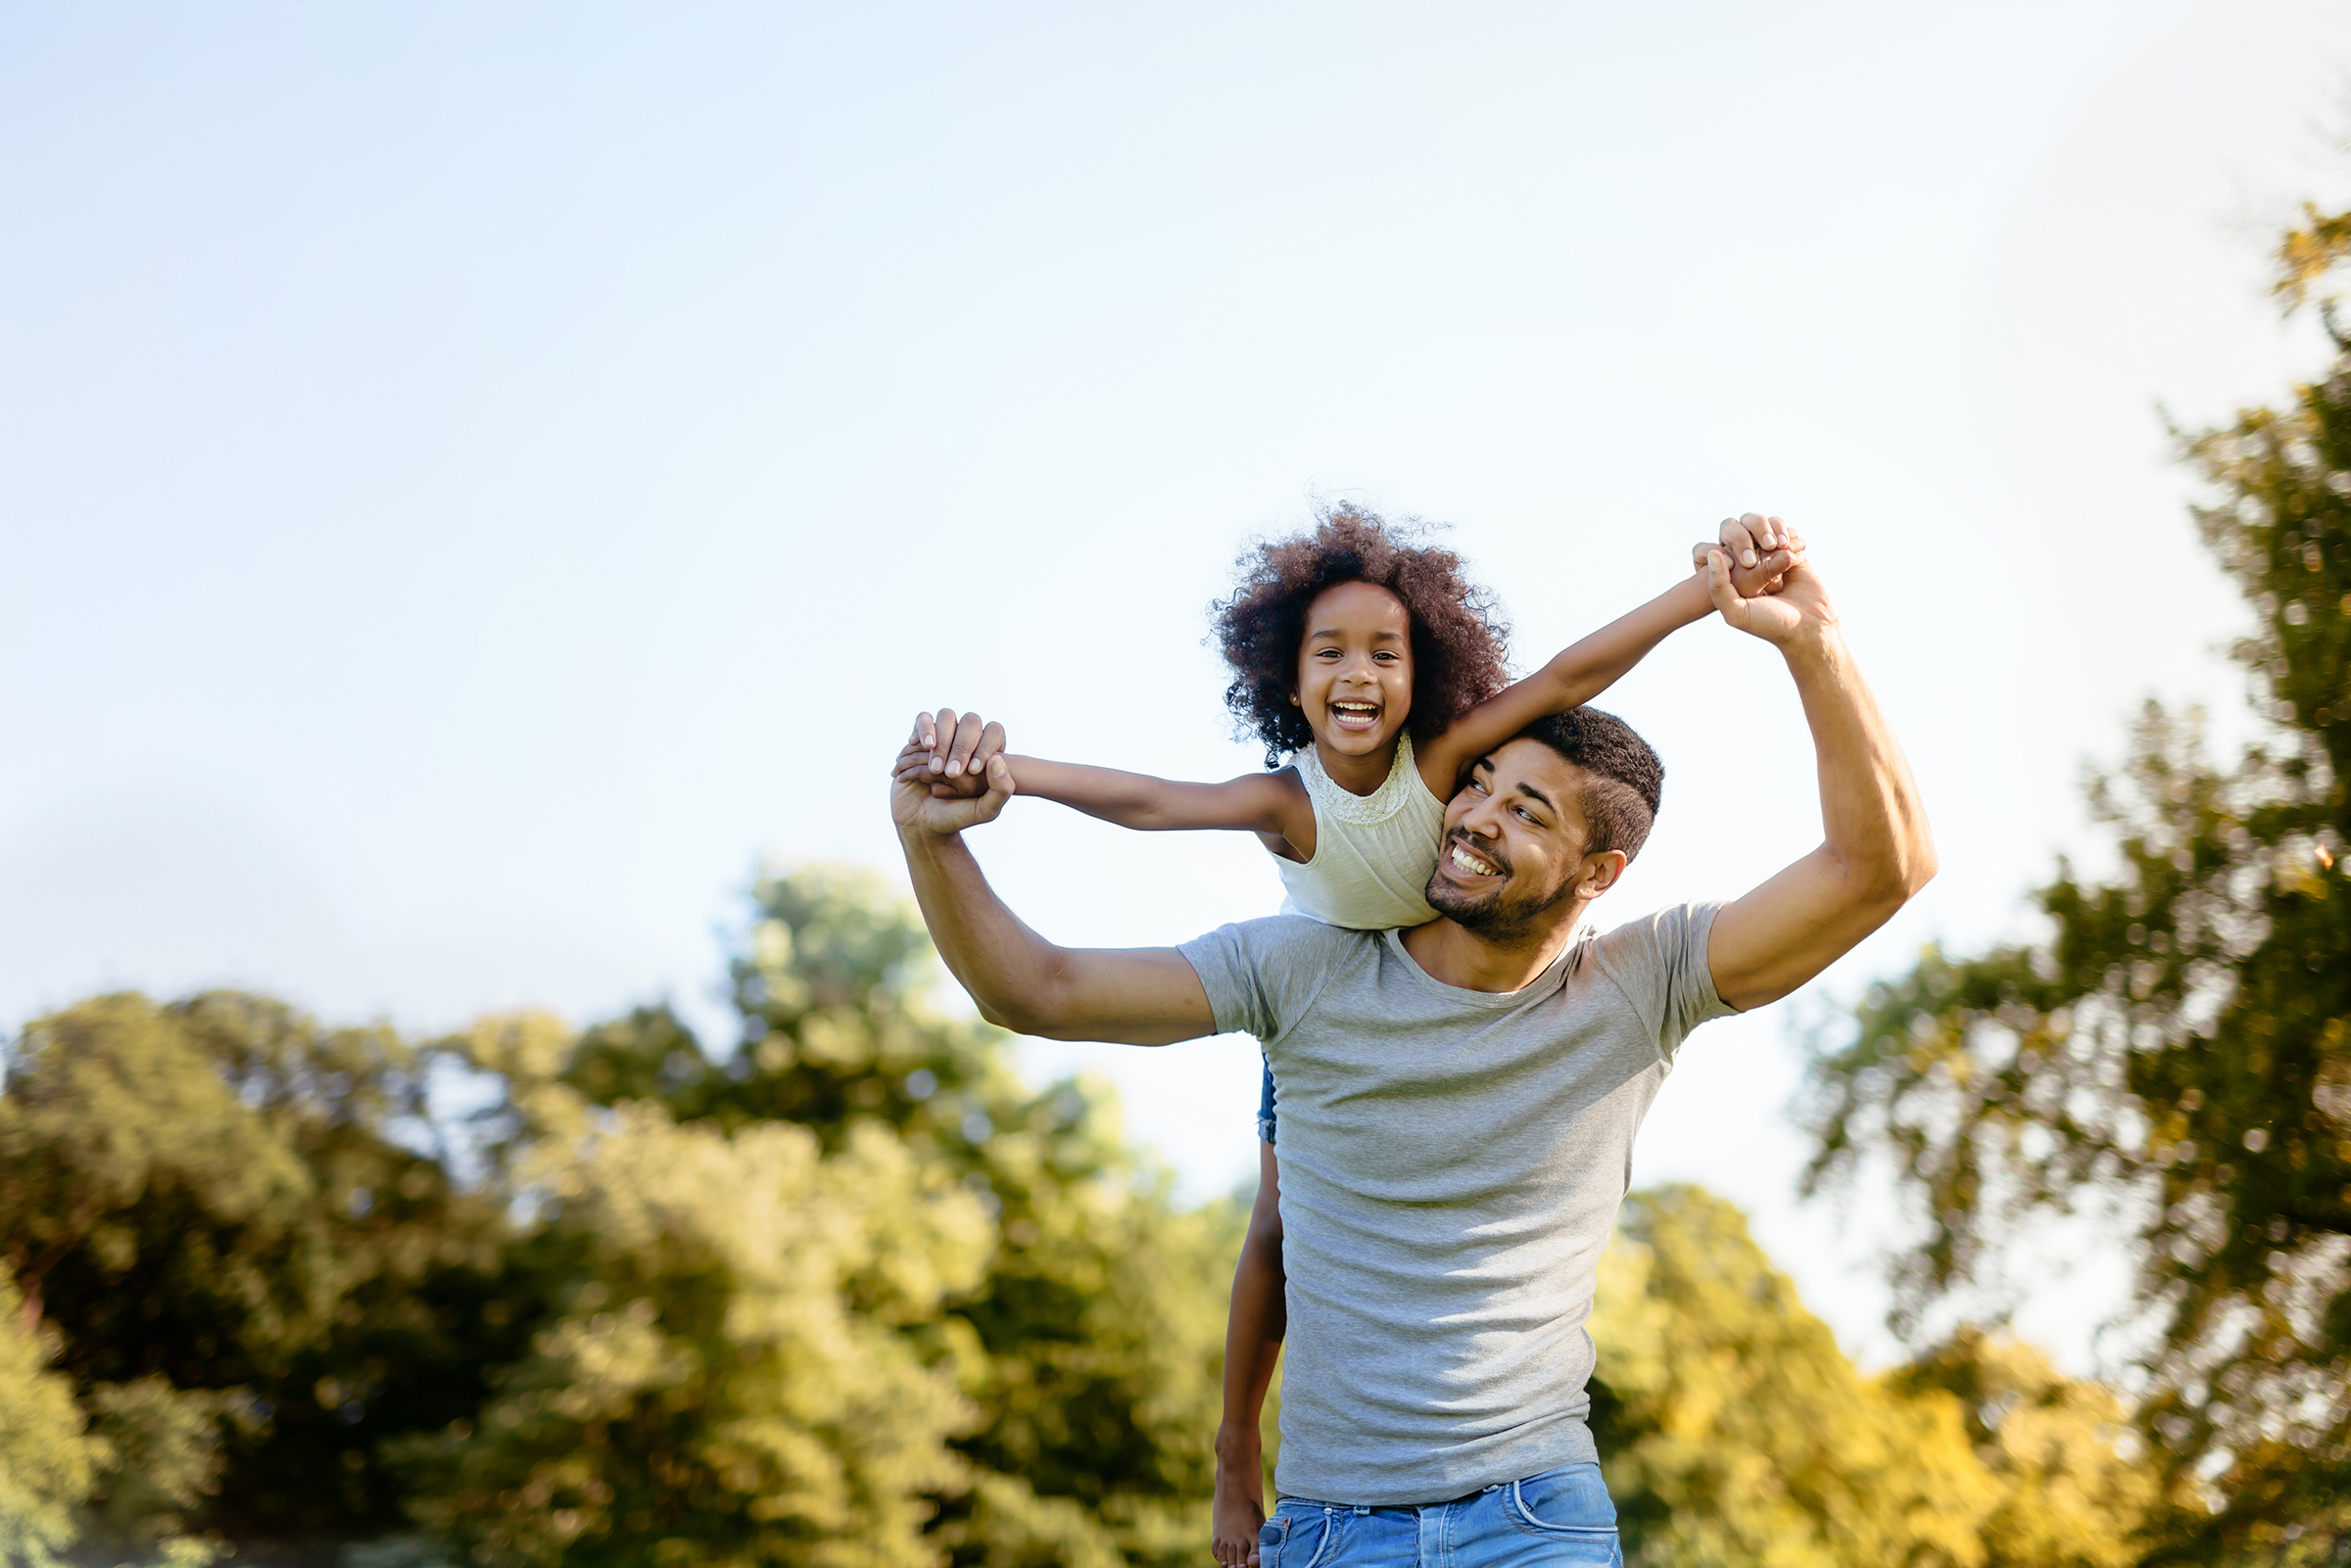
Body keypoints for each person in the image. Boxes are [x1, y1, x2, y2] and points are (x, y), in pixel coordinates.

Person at [892, 522, 1934, 1568]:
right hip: (1328, 1528)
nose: (1472, 814)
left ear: (1599, 870)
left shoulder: (1642, 982)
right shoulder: (1305, 969)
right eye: (1476, 783)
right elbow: (1036, 988)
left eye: (1523, 809)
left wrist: (1816, 640)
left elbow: (1879, 867)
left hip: (1536, 1520)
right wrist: (931, 837)